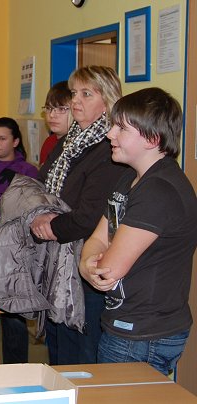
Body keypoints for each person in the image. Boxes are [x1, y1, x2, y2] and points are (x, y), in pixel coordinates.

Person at [79, 88, 197, 376]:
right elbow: (97, 239)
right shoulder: (130, 178)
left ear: (152, 138)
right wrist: (86, 263)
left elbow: (109, 269)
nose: (110, 134)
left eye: (121, 128)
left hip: (143, 333)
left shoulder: (159, 191)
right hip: (126, 324)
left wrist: (93, 263)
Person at [31, 65, 127, 365]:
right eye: (74, 93)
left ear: (107, 101)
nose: (75, 101)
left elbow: (90, 215)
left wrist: (49, 225)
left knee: (83, 356)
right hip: (57, 262)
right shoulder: (68, 141)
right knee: (58, 349)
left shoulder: (110, 148)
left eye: (87, 94)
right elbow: (40, 187)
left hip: (86, 264)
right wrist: (36, 216)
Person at [0, 116, 38, 364]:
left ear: (15, 141)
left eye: (2, 138)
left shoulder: (28, 172)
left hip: (15, 252)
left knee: (14, 317)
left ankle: (16, 371)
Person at [39, 81, 72, 166]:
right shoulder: (49, 142)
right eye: (48, 108)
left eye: (61, 109)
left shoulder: (79, 145)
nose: (52, 115)